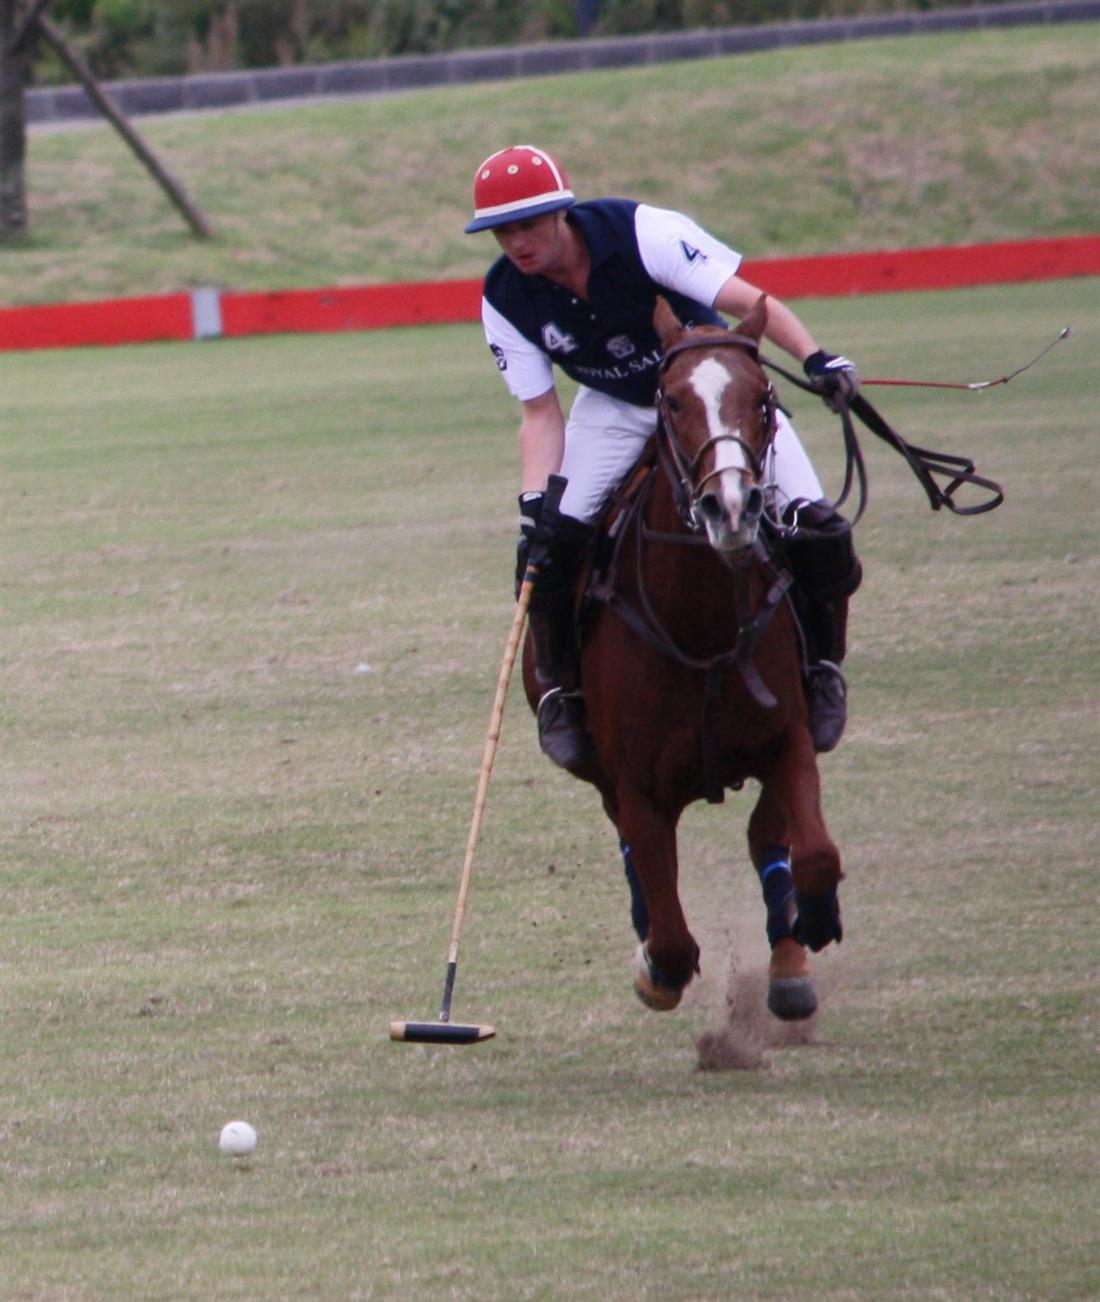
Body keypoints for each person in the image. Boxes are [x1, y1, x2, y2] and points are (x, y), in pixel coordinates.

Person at [465, 144, 862, 771]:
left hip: (711, 395)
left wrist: (817, 358)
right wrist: (535, 504)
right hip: (618, 406)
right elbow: (539, 414)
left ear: (562, 213)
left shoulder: (643, 233)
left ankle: (821, 670)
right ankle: (563, 693)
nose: (516, 242)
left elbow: (747, 301)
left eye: (529, 224)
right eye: (501, 231)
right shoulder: (506, 296)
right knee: (548, 550)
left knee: (820, 527)